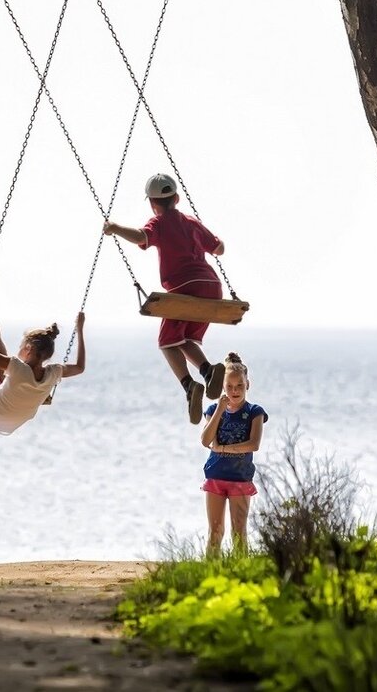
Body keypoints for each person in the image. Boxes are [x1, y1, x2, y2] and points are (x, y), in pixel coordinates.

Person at [103, 172, 227, 423]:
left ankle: (189, 386)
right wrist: (208, 239)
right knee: (180, 338)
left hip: (185, 289)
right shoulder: (191, 222)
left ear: (152, 203)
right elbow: (219, 249)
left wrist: (114, 228)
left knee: (165, 342)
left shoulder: (158, 223)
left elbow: (140, 237)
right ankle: (207, 370)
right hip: (212, 287)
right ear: (177, 198)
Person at [0, 269, 86, 435]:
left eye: (22, 345)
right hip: (13, 418)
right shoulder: (53, 371)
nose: (20, 348)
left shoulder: (17, 368)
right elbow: (80, 367)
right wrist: (80, 329)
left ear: (28, 349)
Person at [200, 352, 266, 555]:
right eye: (229, 386)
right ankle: (210, 575)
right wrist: (220, 410)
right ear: (223, 387)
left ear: (248, 384)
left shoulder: (255, 411)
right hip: (215, 476)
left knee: (239, 532)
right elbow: (205, 440)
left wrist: (223, 449)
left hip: (240, 478)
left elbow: (253, 444)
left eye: (239, 386)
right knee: (215, 531)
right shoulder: (213, 409)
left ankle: (240, 575)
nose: (234, 390)